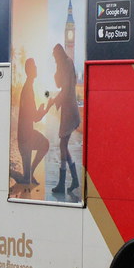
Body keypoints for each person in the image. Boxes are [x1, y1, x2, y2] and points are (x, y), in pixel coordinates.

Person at [47, 43, 81, 194]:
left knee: (63, 145)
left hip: (70, 111)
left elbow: (66, 89)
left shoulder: (67, 63)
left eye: (55, 57)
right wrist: (56, 70)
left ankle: (63, 182)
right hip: (67, 110)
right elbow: (59, 83)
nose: (55, 60)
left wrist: (54, 101)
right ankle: (73, 179)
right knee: (63, 146)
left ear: (59, 54)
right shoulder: (64, 64)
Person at [16, 58, 49, 185]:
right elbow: (35, 117)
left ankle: (29, 172)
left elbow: (33, 116)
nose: (36, 68)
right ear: (29, 70)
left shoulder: (28, 87)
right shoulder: (28, 89)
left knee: (45, 144)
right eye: (34, 66)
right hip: (26, 139)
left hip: (26, 136)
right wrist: (45, 109)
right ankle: (13, 172)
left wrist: (42, 110)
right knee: (26, 181)